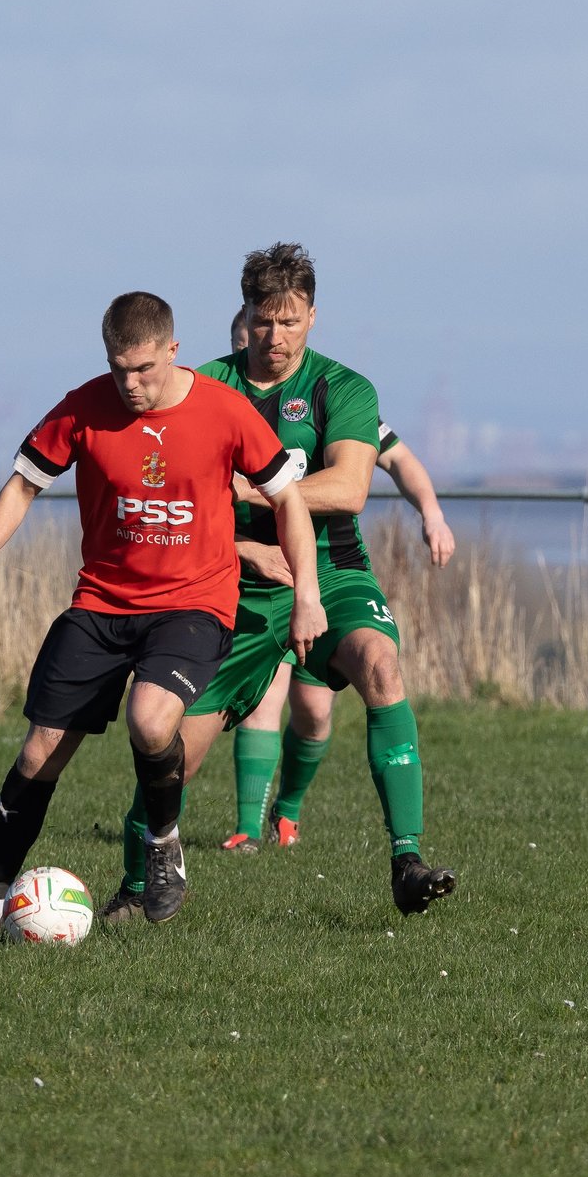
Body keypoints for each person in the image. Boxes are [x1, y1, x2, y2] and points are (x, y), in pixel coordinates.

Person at [0, 291, 317, 930]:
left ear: (173, 350)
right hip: (101, 603)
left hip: (193, 606)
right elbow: (24, 485)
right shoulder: (84, 407)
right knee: (39, 753)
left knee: (150, 719)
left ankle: (163, 844)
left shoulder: (226, 411)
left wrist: (306, 594)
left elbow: (290, 502)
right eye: (119, 369)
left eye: (144, 369)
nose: (131, 384)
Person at [119, 243, 456, 917]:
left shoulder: (344, 388)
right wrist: (243, 538)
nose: (276, 337)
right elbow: (170, 493)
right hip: (230, 584)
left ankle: (407, 859)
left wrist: (255, 488)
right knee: (170, 745)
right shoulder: (202, 386)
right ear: (245, 315)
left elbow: (352, 486)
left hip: (329, 573)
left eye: (291, 321)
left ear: (312, 317)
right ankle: (135, 887)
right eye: (265, 321)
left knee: (381, 666)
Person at [209, 308, 455, 853]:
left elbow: (397, 462)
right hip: (254, 578)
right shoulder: (220, 397)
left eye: (281, 329)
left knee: (316, 712)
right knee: (264, 696)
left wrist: (431, 512)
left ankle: (288, 810)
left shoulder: (335, 400)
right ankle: (248, 827)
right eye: (251, 336)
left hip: (325, 574)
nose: (267, 343)